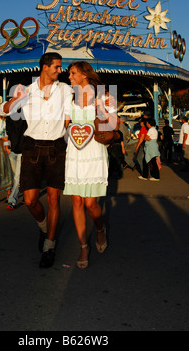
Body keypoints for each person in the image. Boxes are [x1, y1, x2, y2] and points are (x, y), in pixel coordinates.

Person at [0, 52, 73, 268]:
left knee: (53, 199)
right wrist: (16, 98)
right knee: (30, 200)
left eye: (61, 67)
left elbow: (68, 120)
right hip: (32, 146)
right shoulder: (28, 91)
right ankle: (43, 227)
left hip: (56, 146)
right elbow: (5, 111)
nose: (60, 71)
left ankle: (50, 245)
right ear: (44, 67)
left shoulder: (66, 90)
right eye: (57, 67)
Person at [63, 61, 117, 269]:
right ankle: (84, 246)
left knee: (90, 204)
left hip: (94, 152)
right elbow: (63, 126)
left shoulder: (103, 97)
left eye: (72, 73)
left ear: (85, 75)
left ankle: (100, 228)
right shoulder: (70, 100)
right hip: (74, 154)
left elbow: (115, 124)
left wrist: (102, 110)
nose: (69, 77)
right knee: (76, 202)